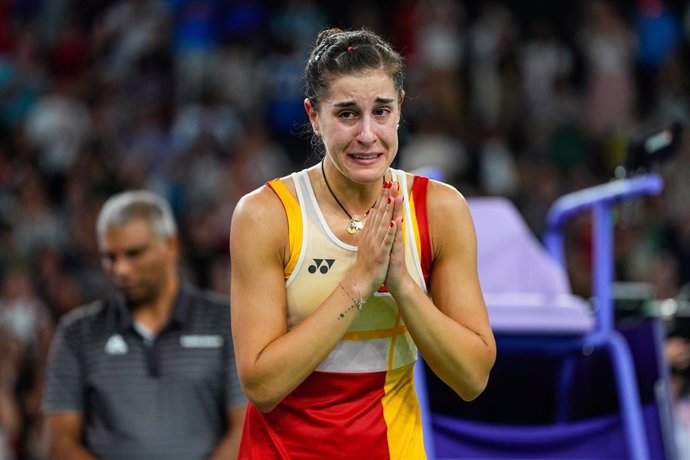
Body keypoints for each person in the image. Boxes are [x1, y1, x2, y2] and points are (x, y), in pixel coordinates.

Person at [229, 27, 496, 459]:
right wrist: (358, 283)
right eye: (347, 114)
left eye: (382, 111)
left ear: (401, 109)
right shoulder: (267, 215)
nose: (368, 134)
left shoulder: (439, 210)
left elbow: (472, 378)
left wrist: (403, 285)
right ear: (314, 116)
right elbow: (261, 385)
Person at [41, 190, 246, 460]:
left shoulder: (225, 321)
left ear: (171, 246)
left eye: (134, 254)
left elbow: (244, 428)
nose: (121, 269)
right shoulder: (77, 333)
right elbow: (60, 443)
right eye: (110, 257)